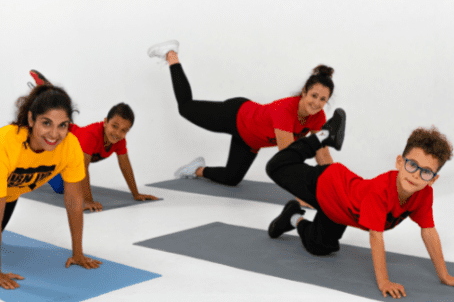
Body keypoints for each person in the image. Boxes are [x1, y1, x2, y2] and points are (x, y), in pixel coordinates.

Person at [266, 117, 454, 299]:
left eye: (426, 172)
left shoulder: (424, 195)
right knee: (275, 166)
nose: (416, 175)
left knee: (319, 246)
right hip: (327, 185)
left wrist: (444, 275)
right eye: (412, 165)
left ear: (434, 179)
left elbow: (428, 231)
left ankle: (292, 217)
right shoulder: (381, 191)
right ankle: (323, 136)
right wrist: (384, 282)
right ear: (399, 162)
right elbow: (375, 236)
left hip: (338, 213)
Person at [147, 40, 335, 194]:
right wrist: (304, 196)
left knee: (232, 178)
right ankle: (171, 54)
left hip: (249, 140)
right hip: (236, 115)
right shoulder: (285, 110)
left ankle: (196, 169)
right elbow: (287, 159)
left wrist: (333, 187)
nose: (316, 103)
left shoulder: (318, 117)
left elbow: (323, 153)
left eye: (323, 99)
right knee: (185, 108)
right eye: (314, 96)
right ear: (304, 92)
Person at [0, 83, 102, 290]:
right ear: (31, 119)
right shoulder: (7, 143)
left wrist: (78, 253)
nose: (54, 134)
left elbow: (74, 201)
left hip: (9, 197)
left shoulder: (70, 146)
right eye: (46, 123)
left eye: (62, 125)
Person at [29, 70, 159, 213]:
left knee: (60, 188)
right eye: (114, 126)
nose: (117, 133)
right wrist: (88, 200)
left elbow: (125, 166)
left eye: (123, 130)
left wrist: (136, 194)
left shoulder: (119, 141)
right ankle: (47, 90)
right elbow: (83, 168)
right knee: (51, 117)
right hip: (60, 139)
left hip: (65, 156)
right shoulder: (91, 135)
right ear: (105, 122)